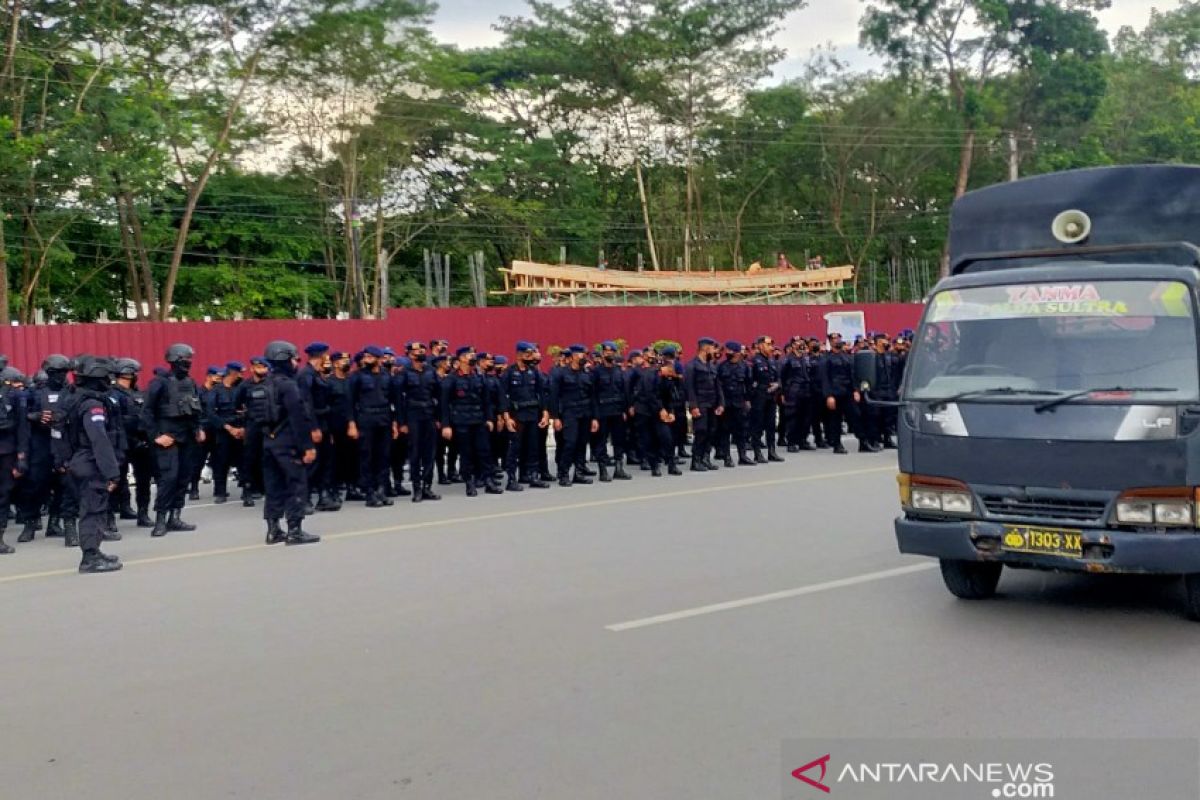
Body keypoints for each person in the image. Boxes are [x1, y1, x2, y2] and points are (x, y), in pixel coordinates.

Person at [256, 341, 319, 546]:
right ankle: (295, 530)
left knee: (273, 486)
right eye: (293, 358)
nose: (295, 363)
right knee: (296, 484)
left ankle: (273, 530)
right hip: (287, 442)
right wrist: (307, 446)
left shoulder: (263, 385)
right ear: (284, 360)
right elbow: (298, 418)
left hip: (267, 441)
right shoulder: (288, 385)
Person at [66, 357, 124, 573]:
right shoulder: (92, 405)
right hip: (91, 461)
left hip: (80, 460)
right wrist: (112, 471)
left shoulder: (74, 398)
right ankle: (89, 557)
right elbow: (99, 439)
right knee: (92, 510)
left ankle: (94, 550)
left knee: (95, 508)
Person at [145, 343, 205, 536]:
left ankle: (175, 517)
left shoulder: (190, 382)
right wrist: (156, 437)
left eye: (189, 361)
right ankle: (161, 519)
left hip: (188, 437)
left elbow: (195, 408)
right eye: (184, 361)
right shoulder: (159, 383)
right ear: (173, 361)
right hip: (168, 437)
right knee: (168, 479)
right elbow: (146, 413)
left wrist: (198, 428)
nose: (187, 364)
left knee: (183, 478)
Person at [18, 354, 78, 544]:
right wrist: (36, 416)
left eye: (63, 372)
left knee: (65, 486)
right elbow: (21, 416)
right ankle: (30, 523)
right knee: (35, 485)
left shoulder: (72, 392)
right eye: (55, 373)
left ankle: (58, 523)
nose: (60, 376)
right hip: (41, 444)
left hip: (63, 444)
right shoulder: (34, 393)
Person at [440, 349, 500, 497]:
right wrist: (446, 425)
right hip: (461, 421)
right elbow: (444, 404)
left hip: (479, 420)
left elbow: (486, 401)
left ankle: (488, 481)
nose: (472, 357)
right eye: (469, 355)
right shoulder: (451, 379)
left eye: (473, 355)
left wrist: (489, 419)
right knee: (466, 454)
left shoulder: (479, 377)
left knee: (484, 451)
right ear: (460, 359)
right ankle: (470, 482)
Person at [347, 345, 395, 508]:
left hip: (384, 418)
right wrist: (352, 424)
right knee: (366, 456)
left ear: (379, 359)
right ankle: (369, 492)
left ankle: (381, 490)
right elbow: (350, 403)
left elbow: (394, 401)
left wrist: (395, 422)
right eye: (365, 357)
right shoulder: (357, 377)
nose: (366, 359)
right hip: (365, 419)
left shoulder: (387, 376)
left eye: (370, 357)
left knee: (384, 456)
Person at [395, 340, 441, 503]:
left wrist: (438, 418)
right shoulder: (404, 373)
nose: (420, 353)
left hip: (429, 414)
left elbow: (438, 395)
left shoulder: (431, 371)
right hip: (412, 416)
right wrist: (402, 423)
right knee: (415, 453)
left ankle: (427, 487)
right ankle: (417, 488)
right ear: (409, 354)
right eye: (416, 351)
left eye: (422, 350)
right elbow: (399, 400)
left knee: (430, 453)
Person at [111, 359, 154, 528]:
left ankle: (143, 513)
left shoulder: (138, 394)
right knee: (117, 480)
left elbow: (145, 417)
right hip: (122, 443)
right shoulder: (113, 395)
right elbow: (118, 422)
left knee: (143, 480)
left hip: (141, 443)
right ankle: (112, 517)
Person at [298, 342, 340, 511]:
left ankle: (324, 497)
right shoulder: (306, 375)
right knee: (312, 463)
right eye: (326, 354)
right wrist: (313, 427)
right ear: (320, 355)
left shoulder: (317, 374)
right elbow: (306, 403)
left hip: (324, 421)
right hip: (314, 422)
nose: (328, 357)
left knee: (326, 461)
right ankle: (304, 499)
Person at [549, 344, 598, 487]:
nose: (584, 357)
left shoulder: (587, 374)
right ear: (572, 357)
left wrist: (594, 418)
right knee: (570, 443)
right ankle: (563, 473)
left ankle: (579, 473)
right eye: (580, 354)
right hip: (569, 413)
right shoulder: (561, 374)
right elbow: (554, 396)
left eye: (584, 354)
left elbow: (593, 397)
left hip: (585, 413)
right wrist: (556, 417)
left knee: (582, 444)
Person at [502, 341, 549, 490]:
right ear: (519, 355)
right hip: (517, 415)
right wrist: (506, 418)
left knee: (533, 447)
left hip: (533, 414)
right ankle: (511, 479)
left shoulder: (534, 371)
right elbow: (503, 397)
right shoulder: (509, 373)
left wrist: (545, 413)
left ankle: (532, 476)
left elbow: (541, 393)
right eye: (527, 354)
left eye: (531, 353)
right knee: (515, 448)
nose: (530, 357)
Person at [591, 341, 632, 481]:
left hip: (617, 411)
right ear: (602, 353)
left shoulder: (618, 370)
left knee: (619, 440)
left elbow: (624, 392)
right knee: (601, 441)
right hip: (602, 411)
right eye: (607, 351)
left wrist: (625, 410)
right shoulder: (595, 372)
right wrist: (595, 416)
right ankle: (603, 470)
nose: (609, 354)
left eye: (612, 351)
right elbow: (593, 395)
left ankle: (619, 469)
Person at [683, 337, 725, 472]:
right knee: (701, 431)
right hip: (700, 403)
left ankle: (705, 458)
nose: (714, 351)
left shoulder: (711, 366)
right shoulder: (692, 366)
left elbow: (718, 386)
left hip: (712, 403)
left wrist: (721, 403)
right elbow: (689, 388)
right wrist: (693, 406)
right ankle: (696, 460)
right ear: (705, 348)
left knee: (711, 431)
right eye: (712, 348)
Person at [206, 361, 245, 504]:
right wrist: (228, 428)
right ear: (233, 373)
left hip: (240, 430)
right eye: (239, 373)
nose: (241, 376)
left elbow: (247, 409)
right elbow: (211, 413)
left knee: (243, 462)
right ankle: (220, 492)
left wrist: (242, 428)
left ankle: (247, 492)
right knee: (221, 462)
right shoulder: (216, 391)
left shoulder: (239, 390)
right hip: (223, 431)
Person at [0, 367, 29, 553]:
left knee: (3, 495)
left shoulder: (13, 396)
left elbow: (21, 428)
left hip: (6, 452)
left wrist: (21, 456)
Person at [819, 333, 862, 454]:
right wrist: (829, 396)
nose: (837, 341)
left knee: (856, 415)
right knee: (835, 420)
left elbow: (852, 375)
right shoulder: (826, 358)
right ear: (830, 342)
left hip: (847, 392)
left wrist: (856, 390)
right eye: (835, 339)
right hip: (835, 393)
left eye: (839, 338)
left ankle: (863, 441)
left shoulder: (846, 357)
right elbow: (825, 378)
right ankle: (837, 445)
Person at [717, 341, 753, 467]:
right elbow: (718, 386)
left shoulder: (745, 367)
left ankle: (742, 456)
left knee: (741, 431)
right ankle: (727, 457)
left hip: (739, 403)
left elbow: (748, 385)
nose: (727, 353)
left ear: (737, 353)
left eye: (730, 351)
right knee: (725, 431)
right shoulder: (721, 367)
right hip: (726, 403)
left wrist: (748, 400)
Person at [748, 336, 784, 464]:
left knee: (771, 425)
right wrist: (755, 394)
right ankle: (757, 452)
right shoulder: (754, 361)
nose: (771, 347)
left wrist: (777, 385)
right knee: (757, 425)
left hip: (771, 397)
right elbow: (750, 381)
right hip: (759, 397)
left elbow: (779, 377)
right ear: (760, 346)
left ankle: (772, 451)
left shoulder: (772, 361)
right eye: (768, 344)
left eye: (771, 345)